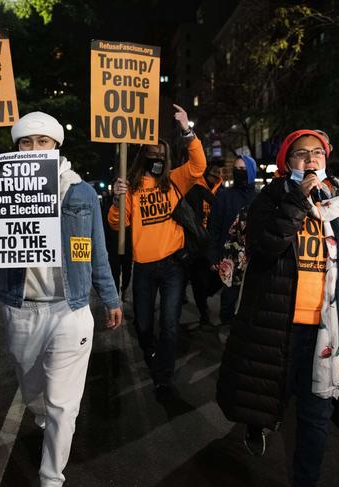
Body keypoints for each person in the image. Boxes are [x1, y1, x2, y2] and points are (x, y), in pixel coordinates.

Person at [0, 111, 122, 487]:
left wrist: (110, 297)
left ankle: (51, 477)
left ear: (56, 146)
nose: (34, 148)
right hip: (21, 307)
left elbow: (96, 251)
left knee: (63, 404)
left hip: (69, 308)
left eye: (43, 142)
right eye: (26, 142)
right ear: (17, 148)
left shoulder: (81, 191)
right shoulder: (0, 187)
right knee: (31, 386)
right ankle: (40, 411)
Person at [216, 130, 339, 487]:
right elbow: (267, 246)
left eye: (317, 152)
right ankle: (257, 423)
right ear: (288, 162)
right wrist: (297, 201)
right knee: (267, 396)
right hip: (278, 322)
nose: (311, 158)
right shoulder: (268, 200)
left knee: (316, 416)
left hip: (324, 330)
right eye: (301, 153)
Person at [109, 104, 207, 400]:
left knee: (170, 324)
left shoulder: (175, 180)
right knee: (142, 324)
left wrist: (187, 130)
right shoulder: (133, 188)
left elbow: (199, 165)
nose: (157, 159)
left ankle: (162, 378)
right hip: (143, 268)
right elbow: (118, 225)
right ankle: (151, 353)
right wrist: (117, 200)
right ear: (142, 157)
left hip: (173, 265)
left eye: (162, 156)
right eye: (152, 155)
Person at [207, 154, 257, 324]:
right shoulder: (224, 197)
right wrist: (213, 256)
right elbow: (213, 228)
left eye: (243, 169)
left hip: (253, 259)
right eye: (236, 169)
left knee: (250, 300)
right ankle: (226, 328)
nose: (239, 172)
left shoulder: (260, 198)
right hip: (229, 259)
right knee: (228, 299)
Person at [185, 162, 223, 325]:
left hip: (213, 243)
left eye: (219, 174)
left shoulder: (220, 192)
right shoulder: (194, 190)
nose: (216, 177)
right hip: (198, 244)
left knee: (218, 278)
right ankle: (203, 312)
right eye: (213, 173)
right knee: (198, 280)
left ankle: (202, 298)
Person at [101, 189, 133, 301]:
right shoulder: (109, 202)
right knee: (114, 271)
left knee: (127, 269)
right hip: (112, 244)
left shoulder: (130, 201)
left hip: (127, 243)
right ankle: (115, 295)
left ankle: (124, 288)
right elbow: (104, 223)